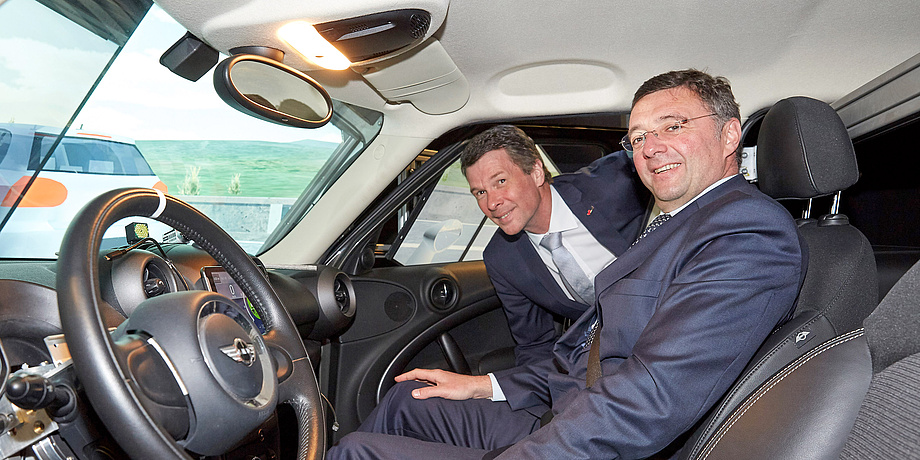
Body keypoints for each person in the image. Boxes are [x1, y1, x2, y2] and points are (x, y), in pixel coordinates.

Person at [327, 69, 806, 459]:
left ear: (729, 135)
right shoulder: (676, 220)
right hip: (567, 406)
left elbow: (653, 395)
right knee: (406, 401)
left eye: (673, 126)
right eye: (638, 137)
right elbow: (569, 347)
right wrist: (484, 387)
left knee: (355, 452)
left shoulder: (745, 232)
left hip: (596, 434)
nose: (650, 147)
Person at [461, 124, 648, 373]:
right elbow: (535, 345)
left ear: (537, 172)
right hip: (611, 357)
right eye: (480, 192)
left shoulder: (614, 181)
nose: (492, 203)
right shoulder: (502, 257)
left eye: (501, 181)